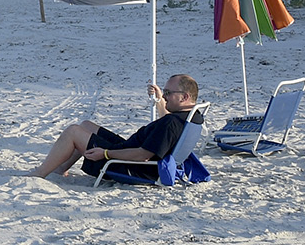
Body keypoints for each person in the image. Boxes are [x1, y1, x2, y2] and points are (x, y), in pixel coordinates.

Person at [23, 75, 200, 180]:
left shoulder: (171, 124)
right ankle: (61, 168)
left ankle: (40, 173)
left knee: (73, 132)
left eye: (169, 93)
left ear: (184, 97)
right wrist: (160, 99)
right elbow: (164, 132)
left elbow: (143, 155)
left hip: (132, 165)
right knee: (86, 125)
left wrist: (106, 154)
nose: (166, 96)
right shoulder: (189, 116)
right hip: (132, 152)